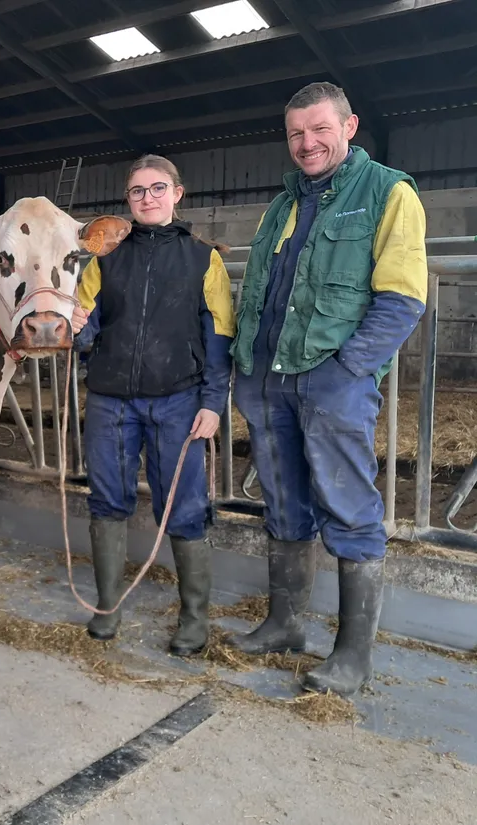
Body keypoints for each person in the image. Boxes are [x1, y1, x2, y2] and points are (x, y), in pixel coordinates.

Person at [228, 81, 429, 697]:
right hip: (268, 381)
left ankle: (351, 654)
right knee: (284, 501)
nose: (306, 143)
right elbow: (261, 292)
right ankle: (285, 624)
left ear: (349, 127)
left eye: (319, 129)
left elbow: (402, 298)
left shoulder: (388, 192)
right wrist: (246, 370)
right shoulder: (281, 204)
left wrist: (348, 369)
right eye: (295, 133)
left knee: (349, 507)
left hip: (330, 380)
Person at [71, 154, 235, 657]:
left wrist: (213, 402)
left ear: (177, 194)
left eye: (157, 188)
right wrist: (75, 330)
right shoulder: (105, 258)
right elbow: (86, 329)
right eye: (138, 191)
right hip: (110, 401)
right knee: (107, 499)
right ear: (128, 199)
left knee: (183, 507)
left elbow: (219, 336)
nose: (147, 198)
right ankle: (107, 605)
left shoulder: (204, 259)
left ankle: (193, 618)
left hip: (178, 401)